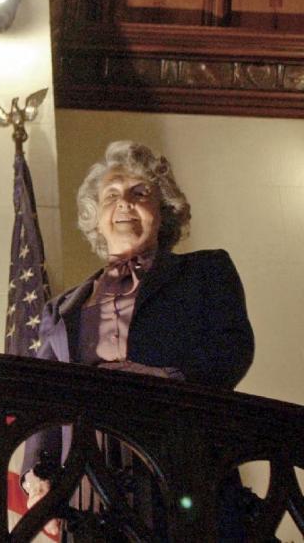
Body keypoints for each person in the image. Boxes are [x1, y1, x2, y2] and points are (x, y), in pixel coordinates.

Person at [20, 140, 255, 539]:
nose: (125, 203)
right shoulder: (61, 308)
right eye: (111, 195)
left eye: (139, 193)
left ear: (162, 212)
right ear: (96, 218)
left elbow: (232, 348)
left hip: (178, 461)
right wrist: (36, 475)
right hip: (87, 477)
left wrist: (165, 379)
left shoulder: (206, 272)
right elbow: (45, 395)